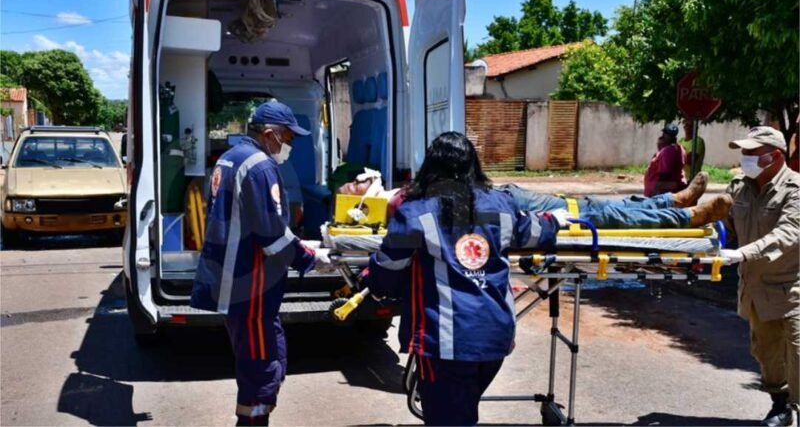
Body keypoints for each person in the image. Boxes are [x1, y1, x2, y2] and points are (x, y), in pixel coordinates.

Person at [365, 132, 571, 426]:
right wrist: (555, 221)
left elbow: (388, 267)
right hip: (494, 338)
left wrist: (375, 288)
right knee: (460, 412)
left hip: (448, 343)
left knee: (450, 418)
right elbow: (532, 231)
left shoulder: (415, 212)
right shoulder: (502, 204)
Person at [191, 100, 332, 426]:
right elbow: (271, 238)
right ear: (270, 134)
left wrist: (296, 245)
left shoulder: (229, 158)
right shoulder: (261, 166)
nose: (291, 146)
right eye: (289, 138)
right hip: (249, 284)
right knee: (259, 366)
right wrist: (311, 258)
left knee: (268, 354)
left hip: (236, 277)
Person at [719, 126, 799, 427]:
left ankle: (797, 406)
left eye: (752, 153)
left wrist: (743, 253)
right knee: (766, 353)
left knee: (798, 351)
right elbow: (720, 219)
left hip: (792, 285)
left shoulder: (796, 190)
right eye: (744, 153)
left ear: (774, 156)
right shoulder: (739, 186)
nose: (745, 159)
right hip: (755, 287)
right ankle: (780, 404)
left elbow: (789, 232)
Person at [500, 171, 733, 229]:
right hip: (524, 212)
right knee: (609, 215)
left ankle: (673, 201)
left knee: (607, 205)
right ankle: (688, 216)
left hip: (512, 198)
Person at [644, 123, 687, 197]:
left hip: (664, 192)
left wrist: (655, 190)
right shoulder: (680, 149)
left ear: (665, 135)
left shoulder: (667, 151)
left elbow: (665, 173)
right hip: (673, 188)